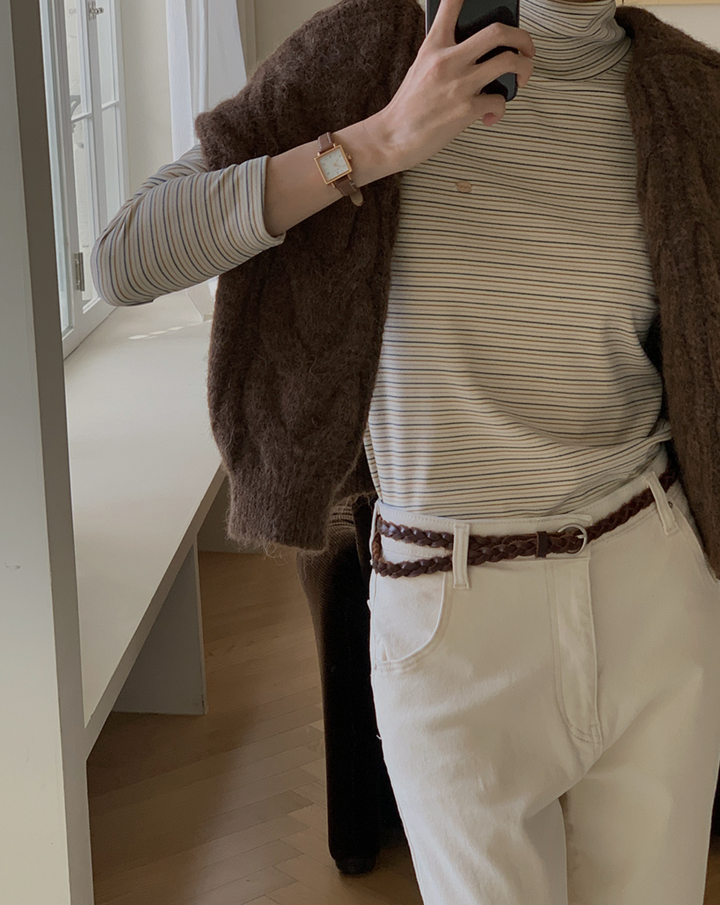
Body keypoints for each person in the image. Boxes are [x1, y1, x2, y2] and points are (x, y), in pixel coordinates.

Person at [91, 0, 720, 902]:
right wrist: (376, 142)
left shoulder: (685, 91)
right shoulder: (367, 60)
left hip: (654, 589)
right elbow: (125, 257)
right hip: (451, 612)